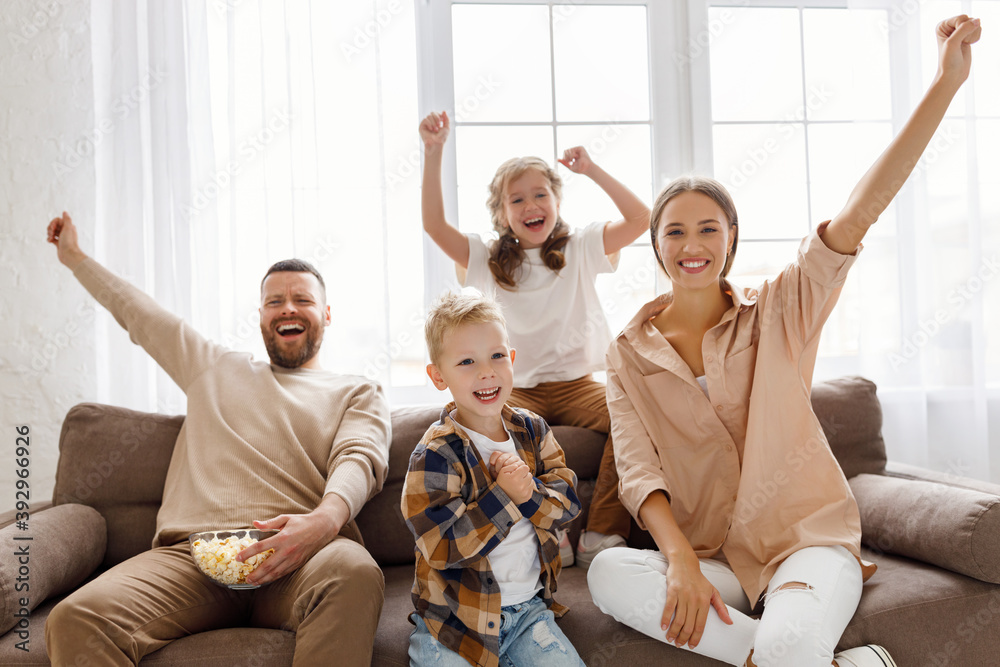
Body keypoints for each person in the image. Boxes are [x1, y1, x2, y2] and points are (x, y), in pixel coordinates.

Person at [587, 15, 981, 667]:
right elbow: (637, 469)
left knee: (787, 647)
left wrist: (944, 82)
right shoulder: (627, 351)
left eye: (708, 228)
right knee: (607, 575)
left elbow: (860, 208)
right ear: (655, 244)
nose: (692, 245)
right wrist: (679, 559)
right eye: (676, 231)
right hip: (714, 560)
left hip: (806, 542)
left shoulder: (781, 308)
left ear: (731, 238)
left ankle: (793, 655)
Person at [43, 213, 391, 666]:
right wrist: (73, 257)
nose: (287, 307)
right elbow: (139, 314)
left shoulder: (357, 390)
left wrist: (324, 522)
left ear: (325, 314)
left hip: (302, 555)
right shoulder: (215, 367)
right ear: (262, 316)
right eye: (275, 301)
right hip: (192, 561)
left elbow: (359, 456)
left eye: (302, 299)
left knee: (354, 571)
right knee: (76, 617)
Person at [419, 112, 649, 567]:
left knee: (637, 414)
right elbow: (433, 225)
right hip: (514, 387)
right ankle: (550, 530)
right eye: (517, 199)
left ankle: (601, 531)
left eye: (540, 194)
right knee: (503, 440)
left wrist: (592, 169)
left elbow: (642, 217)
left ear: (556, 201)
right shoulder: (484, 257)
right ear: (502, 214)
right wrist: (434, 150)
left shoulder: (582, 247)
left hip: (577, 383)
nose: (530, 205)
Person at [401, 291, 584, 667]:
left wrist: (528, 493)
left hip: (528, 612)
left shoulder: (533, 430)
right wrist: (504, 496)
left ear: (512, 360)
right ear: (438, 376)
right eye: (467, 361)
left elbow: (566, 505)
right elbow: (442, 548)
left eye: (497, 356)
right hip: (454, 621)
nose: (486, 371)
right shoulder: (435, 454)